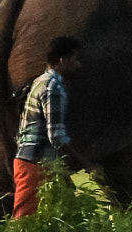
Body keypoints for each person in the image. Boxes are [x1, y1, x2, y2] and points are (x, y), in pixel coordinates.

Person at [11, 36, 84, 219]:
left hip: (43, 163)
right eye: (75, 59)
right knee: (25, 220)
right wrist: (84, 163)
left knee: (65, 215)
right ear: (62, 60)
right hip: (35, 164)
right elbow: (57, 137)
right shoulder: (53, 88)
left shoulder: (40, 81)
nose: (78, 65)